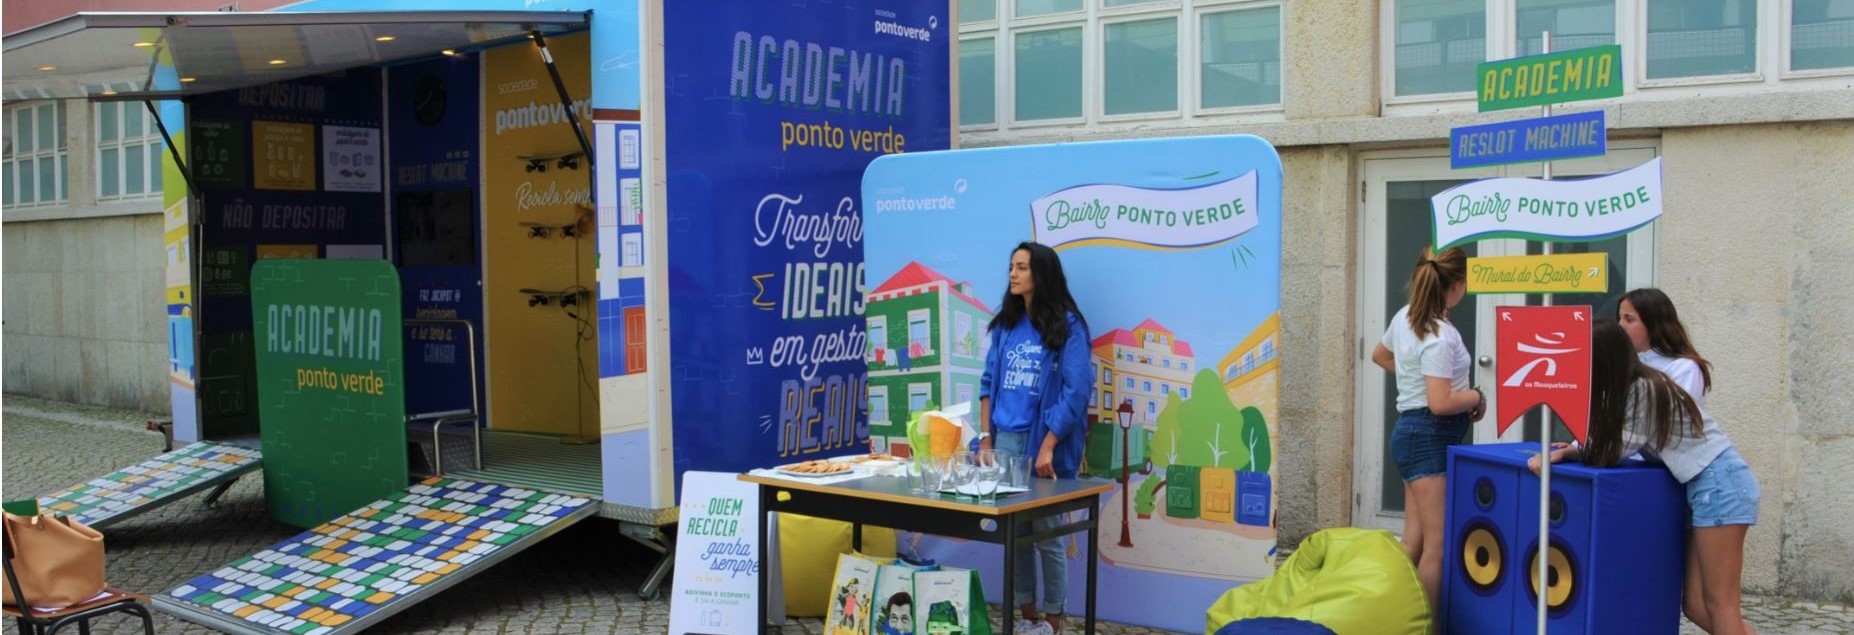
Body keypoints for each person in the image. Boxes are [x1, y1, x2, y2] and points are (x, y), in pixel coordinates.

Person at [1532, 318, 1760, 635]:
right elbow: (1609, 443)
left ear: (1604, 360)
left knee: (1720, 604)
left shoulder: (1643, 389)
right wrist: (1569, 451)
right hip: (1706, 487)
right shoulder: (1632, 388)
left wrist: (1567, 452)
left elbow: (1616, 450)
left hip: (1720, 484)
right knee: (1695, 606)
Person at [977, 241, 1093, 635]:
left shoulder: (1069, 326)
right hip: (1005, 442)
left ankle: (1055, 624)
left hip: (1040, 445)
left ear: (1040, 274)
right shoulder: (1006, 326)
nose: (1013, 274)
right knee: (1018, 538)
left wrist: (1048, 443)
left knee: (1048, 537)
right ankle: (1028, 623)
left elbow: (1077, 390)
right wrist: (985, 438)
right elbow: (988, 383)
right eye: (1011, 266)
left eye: (1022, 267)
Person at [1369, 246, 1484, 618]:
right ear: (1458, 285)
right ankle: (1425, 628)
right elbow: (1439, 402)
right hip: (1429, 436)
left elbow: (1380, 355)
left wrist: (1412, 378)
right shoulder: (1439, 335)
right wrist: (1476, 395)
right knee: (1438, 545)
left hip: (1411, 434)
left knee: (1413, 541)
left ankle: (1392, 618)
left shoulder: (1406, 317)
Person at [1619, 288, 1714, 408]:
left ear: (1653, 323)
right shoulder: (1628, 363)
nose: (1620, 325)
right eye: (1619, 318)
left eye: (1629, 319)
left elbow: (1680, 419)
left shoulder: (1684, 368)